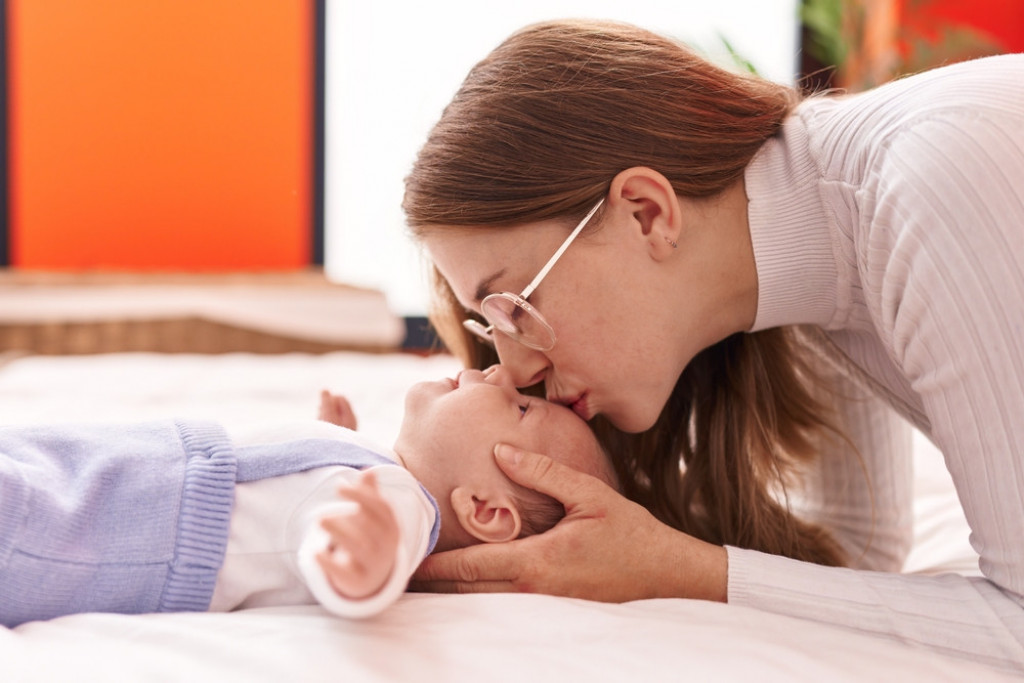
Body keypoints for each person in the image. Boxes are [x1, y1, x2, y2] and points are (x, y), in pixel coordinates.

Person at [403, 19, 1024, 674]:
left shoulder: (922, 192)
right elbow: (859, 542)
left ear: (646, 211)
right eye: (490, 324)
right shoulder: (806, 255)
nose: (516, 367)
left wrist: (679, 569)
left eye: (515, 306)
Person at [0, 366, 615, 626]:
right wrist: (338, 441)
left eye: (519, 405)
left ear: (483, 511)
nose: (501, 372)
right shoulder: (377, 472)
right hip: (122, 478)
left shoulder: (399, 508)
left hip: (115, 532)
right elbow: (308, 497)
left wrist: (364, 559)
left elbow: (354, 558)